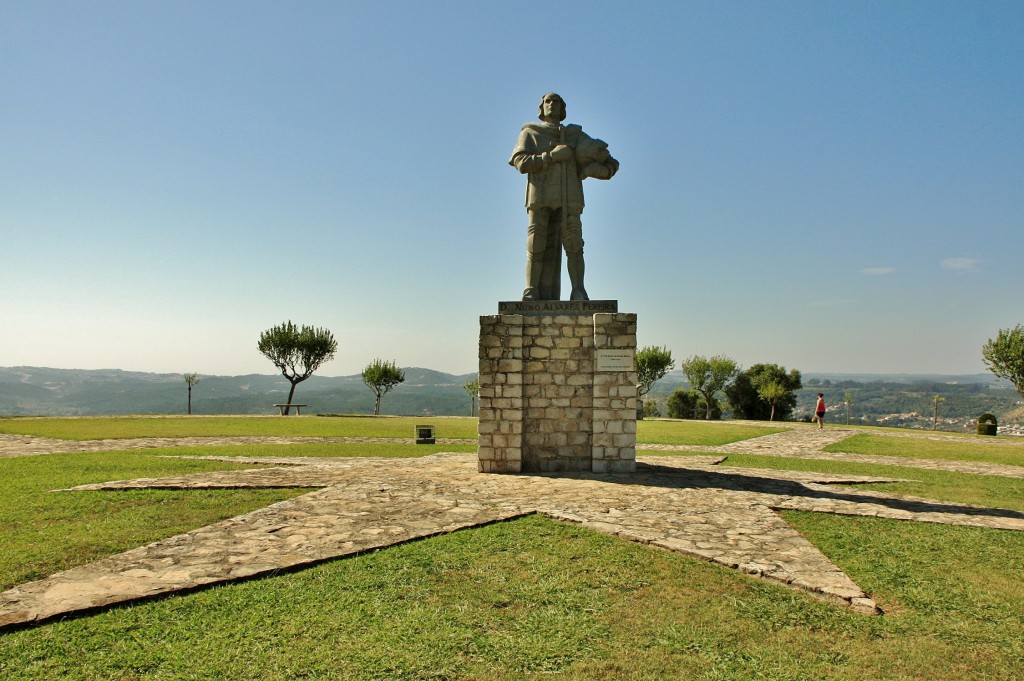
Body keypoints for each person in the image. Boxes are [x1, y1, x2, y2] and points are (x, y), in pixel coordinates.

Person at [509, 92, 619, 301]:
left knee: (574, 244)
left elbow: (610, 163)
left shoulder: (574, 136)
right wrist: (551, 157)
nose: (552, 104)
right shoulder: (530, 133)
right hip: (539, 195)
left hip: (569, 196)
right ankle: (531, 290)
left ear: (563, 108)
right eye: (548, 101)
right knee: (535, 242)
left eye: (556, 101)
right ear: (541, 108)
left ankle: (578, 290)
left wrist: (589, 170)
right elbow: (520, 162)